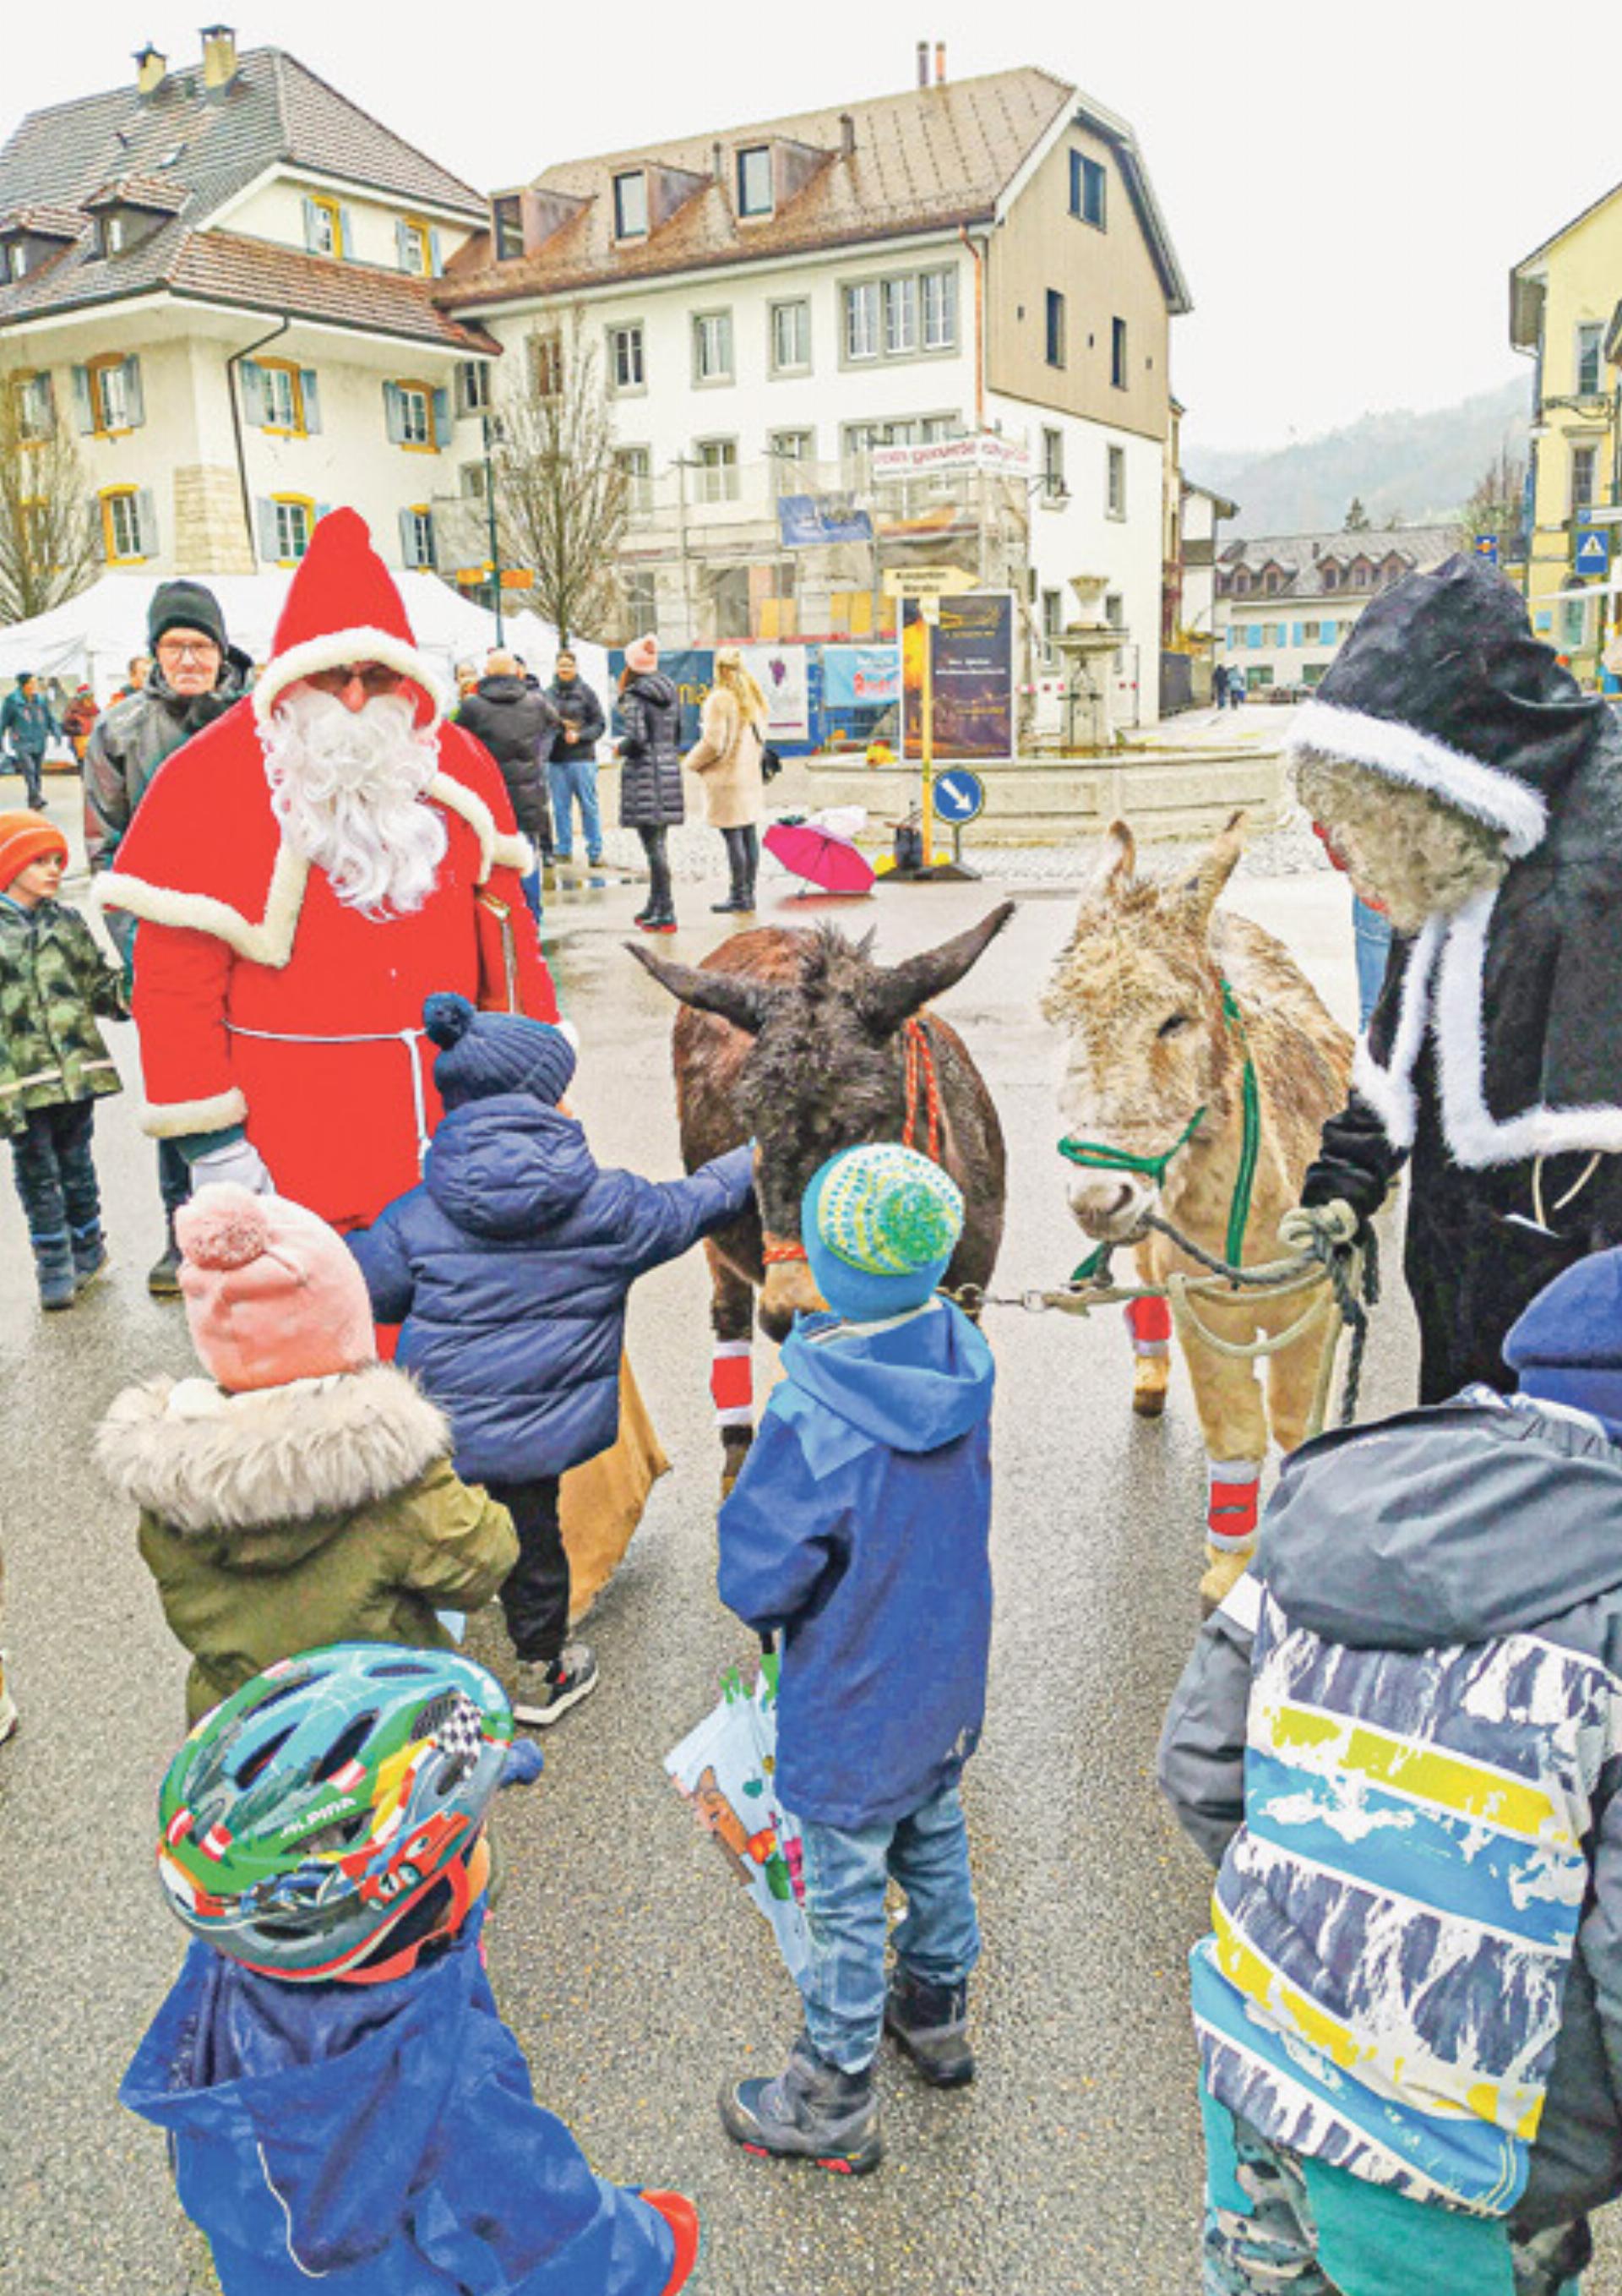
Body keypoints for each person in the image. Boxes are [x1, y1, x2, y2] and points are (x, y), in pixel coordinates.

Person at [1156, 1248, 1622, 2296]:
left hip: (1262, 2060)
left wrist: (1327, 1904)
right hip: (1478, 2146)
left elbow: (1198, 1760)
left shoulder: (1323, 1511)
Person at [121, 1643, 701, 2296]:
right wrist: (659, 2235)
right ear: (423, 1899)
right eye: (474, 1835)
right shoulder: (450, 2087)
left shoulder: (229, 1972)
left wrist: (481, 1769)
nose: (485, 1841)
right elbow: (563, 2250)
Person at [92, 510, 562, 1234]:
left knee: (465, 1329)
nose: (352, 696)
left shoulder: (457, 765)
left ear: (407, 680)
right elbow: (173, 986)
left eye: (375, 675)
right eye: (332, 673)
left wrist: (534, 1080)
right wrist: (219, 1153)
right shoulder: (208, 780)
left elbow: (509, 939)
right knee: (316, 1339)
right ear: (290, 675)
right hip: (295, 1139)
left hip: (457, 1125)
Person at [350, 992, 754, 1727]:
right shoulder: (606, 1206)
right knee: (535, 1541)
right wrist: (758, 1153)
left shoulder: (417, 1211)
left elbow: (372, 1291)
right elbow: (695, 1203)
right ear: (547, 1100)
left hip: (437, 1430)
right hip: (536, 1440)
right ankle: (542, 1668)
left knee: (430, 1533)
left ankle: (422, 1660)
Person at [715, 1143, 995, 2174]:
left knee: (841, 1891)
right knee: (934, 1831)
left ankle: (831, 2090)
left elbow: (759, 1577)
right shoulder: (963, 1360)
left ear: (829, 1270)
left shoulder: (810, 1410)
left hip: (851, 1689)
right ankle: (936, 2010)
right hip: (947, 1673)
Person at [1285, 554, 1622, 1404]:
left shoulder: (1601, 852)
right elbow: (1401, 1039)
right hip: (1456, 1249)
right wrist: (1343, 1185)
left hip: (1583, 1269)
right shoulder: (1456, 840)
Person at [101, 1181, 519, 1726]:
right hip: (381, 1732)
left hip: (245, 1739)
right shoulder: (385, 1472)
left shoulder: (167, 1477)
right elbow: (485, 1563)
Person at [84, 579, 253, 1295]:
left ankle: (269, 1218)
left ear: (222, 650)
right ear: (154, 652)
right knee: (182, 1088)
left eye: (201, 645)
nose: (189, 658)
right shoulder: (119, 730)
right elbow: (105, 848)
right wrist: (138, 944)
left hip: (252, 934)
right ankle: (181, 1232)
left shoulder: (258, 717)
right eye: (174, 645)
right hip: (166, 941)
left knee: (260, 1076)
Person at [0, 811, 128, 1307]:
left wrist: (130, 991)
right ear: (10, 867)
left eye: (58, 860)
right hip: (21, 1078)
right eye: (40, 861)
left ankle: (89, 1247)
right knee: (35, 1167)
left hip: (74, 1074)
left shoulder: (67, 923)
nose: (54, 870)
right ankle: (53, 1260)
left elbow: (96, 985)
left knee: (76, 1160)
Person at [454, 646, 558, 917]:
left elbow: (458, 743)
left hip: (490, 796)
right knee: (528, 859)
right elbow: (554, 724)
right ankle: (532, 919)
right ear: (517, 672)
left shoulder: (472, 708)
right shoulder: (536, 703)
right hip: (529, 794)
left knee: (490, 862)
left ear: (487, 672)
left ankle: (498, 920)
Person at [684, 646, 767, 916]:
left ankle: (738, 895)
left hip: (726, 779)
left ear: (718, 669)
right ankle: (749, 893)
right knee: (747, 835)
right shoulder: (754, 697)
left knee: (733, 837)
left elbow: (713, 743)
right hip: (748, 777)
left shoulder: (720, 699)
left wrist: (691, 763)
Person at [617, 636, 683, 935]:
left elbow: (637, 738)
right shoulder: (670, 692)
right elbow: (677, 733)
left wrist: (620, 749)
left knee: (653, 847)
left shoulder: (634, 696)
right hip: (668, 770)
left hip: (645, 773)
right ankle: (656, 904)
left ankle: (665, 909)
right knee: (659, 843)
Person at [547, 648, 607, 870]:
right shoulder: (548, 695)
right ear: (556, 668)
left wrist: (580, 736)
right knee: (560, 808)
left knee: (589, 806)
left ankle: (595, 851)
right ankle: (563, 849)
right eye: (561, 665)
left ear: (576, 668)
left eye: (569, 665)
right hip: (556, 760)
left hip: (582, 759)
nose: (565, 669)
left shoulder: (587, 693)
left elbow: (600, 724)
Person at [0, 674, 60, 810]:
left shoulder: (40, 700)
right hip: (22, 741)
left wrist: (56, 732)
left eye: (35, 683)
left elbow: (49, 717)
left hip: (39, 740)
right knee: (29, 769)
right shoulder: (12, 701)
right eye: (31, 683)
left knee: (37, 771)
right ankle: (35, 797)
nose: (34, 686)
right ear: (23, 685)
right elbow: (3, 722)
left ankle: (34, 797)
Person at [61, 684, 98, 764]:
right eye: (87, 698)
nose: (90, 700)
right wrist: (79, 731)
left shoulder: (94, 708)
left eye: (91, 697)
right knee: (84, 768)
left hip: (93, 743)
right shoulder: (73, 710)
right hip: (79, 744)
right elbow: (65, 727)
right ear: (82, 699)